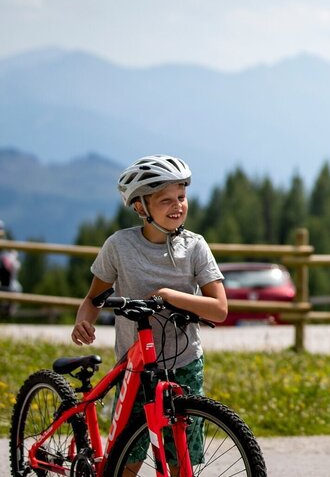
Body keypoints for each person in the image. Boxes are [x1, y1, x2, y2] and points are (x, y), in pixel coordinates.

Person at [71, 154, 228, 470]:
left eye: (181, 197)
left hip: (184, 362)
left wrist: (172, 297)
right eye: (165, 200)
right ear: (141, 207)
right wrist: (83, 320)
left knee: (178, 457)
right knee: (127, 456)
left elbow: (220, 309)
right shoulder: (120, 246)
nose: (177, 206)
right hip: (136, 365)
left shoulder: (196, 247)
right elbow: (94, 298)